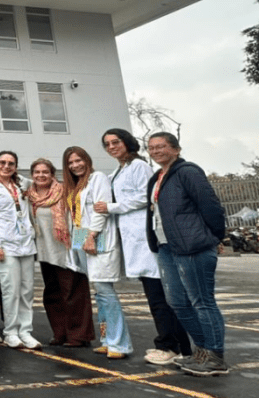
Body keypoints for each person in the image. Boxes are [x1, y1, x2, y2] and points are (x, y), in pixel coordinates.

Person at [98, 129, 191, 366]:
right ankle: (171, 343)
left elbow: (144, 196)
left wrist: (111, 207)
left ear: (127, 142)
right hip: (130, 240)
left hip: (143, 238)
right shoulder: (118, 171)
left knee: (160, 295)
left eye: (115, 142)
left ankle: (172, 346)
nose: (111, 147)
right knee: (154, 295)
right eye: (107, 144)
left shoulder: (139, 167)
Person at [145, 132, 228, 376]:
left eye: (161, 146)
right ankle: (202, 352)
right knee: (178, 303)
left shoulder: (187, 172)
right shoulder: (158, 177)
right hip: (166, 247)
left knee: (202, 302)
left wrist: (213, 237)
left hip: (193, 246)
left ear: (176, 149)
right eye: (151, 148)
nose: (156, 151)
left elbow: (211, 206)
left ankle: (215, 357)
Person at [62, 146, 131, 359]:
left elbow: (100, 210)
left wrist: (92, 236)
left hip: (96, 235)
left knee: (105, 291)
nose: (75, 165)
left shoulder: (98, 178)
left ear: (87, 159)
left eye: (79, 160)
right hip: (81, 235)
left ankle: (119, 344)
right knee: (99, 294)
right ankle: (106, 339)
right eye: (71, 163)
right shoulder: (75, 185)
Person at [26, 158, 93, 348]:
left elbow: (79, 218)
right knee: (53, 295)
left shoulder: (65, 192)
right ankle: (60, 333)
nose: (41, 175)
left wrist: (81, 246)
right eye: (37, 172)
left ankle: (79, 336)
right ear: (32, 175)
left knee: (74, 295)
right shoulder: (29, 196)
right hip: (45, 254)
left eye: (45, 172)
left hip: (68, 252)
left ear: (52, 174)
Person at [0, 151, 39, 350]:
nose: (6, 166)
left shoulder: (23, 184)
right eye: (2, 163)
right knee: (11, 289)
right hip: (5, 246)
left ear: (16, 166)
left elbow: (44, 181)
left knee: (27, 290)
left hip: (26, 243)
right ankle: (11, 331)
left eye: (11, 163)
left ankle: (25, 331)